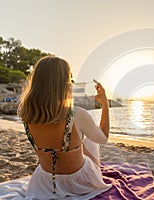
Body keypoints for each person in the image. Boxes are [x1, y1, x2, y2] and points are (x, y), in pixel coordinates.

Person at [17, 56, 112, 199]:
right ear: (64, 84)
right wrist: (105, 104)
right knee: (91, 140)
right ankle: (95, 169)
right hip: (79, 183)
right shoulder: (77, 114)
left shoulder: (26, 114)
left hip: (45, 181)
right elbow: (104, 138)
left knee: (76, 140)